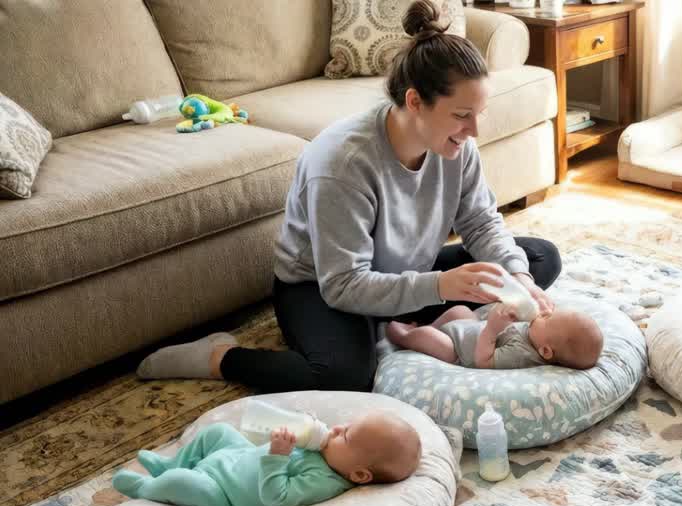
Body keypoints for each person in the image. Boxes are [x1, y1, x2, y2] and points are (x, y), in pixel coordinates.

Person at [135, 0, 559, 391]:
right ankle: (221, 356)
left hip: (403, 270)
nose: (474, 131)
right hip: (322, 286)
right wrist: (439, 286)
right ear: (415, 101)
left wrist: (517, 279)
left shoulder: (456, 145)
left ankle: (392, 324)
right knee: (345, 375)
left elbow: (480, 222)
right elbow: (343, 284)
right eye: (462, 116)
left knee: (538, 259)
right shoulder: (343, 163)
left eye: (478, 114)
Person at [111, 413, 421, 506]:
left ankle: (148, 487)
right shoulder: (328, 452)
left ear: (359, 474)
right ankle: (169, 465)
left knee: (180, 482)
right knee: (218, 431)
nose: (337, 429)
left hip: (224, 494)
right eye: (345, 425)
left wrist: (278, 456)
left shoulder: (325, 481)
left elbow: (276, 496)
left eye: (346, 436)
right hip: (239, 457)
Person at [385, 304, 604, 370]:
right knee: (461, 311)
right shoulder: (536, 335)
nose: (543, 313)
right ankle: (429, 327)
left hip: (458, 350)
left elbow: (484, 361)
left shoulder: (521, 355)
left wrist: (491, 329)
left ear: (545, 351)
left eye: (547, 319)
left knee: (429, 337)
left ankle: (402, 336)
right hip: (470, 328)